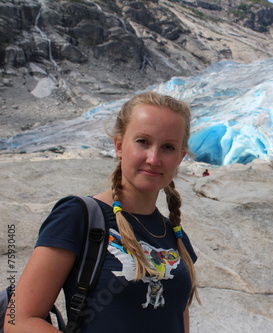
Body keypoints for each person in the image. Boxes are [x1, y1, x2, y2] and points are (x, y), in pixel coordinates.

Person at [6, 92, 199, 332]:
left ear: (180, 157)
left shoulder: (174, 234)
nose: (153, 158)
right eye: (143, 142)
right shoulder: (79, 216)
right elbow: (19, 320)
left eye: (168, 147)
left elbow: (177, 319)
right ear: (119, 145)